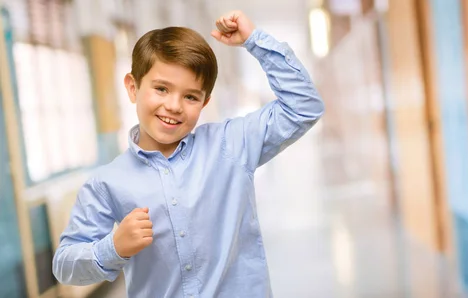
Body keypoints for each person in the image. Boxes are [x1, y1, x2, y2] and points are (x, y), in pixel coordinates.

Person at [52, 10, 324, 298]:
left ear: (205, 102)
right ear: (133, 87)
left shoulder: (230, 144)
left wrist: (255, 41)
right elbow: (65, 266)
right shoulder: (107, 183)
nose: (174, 106)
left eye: (190, 96)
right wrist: (113, 248)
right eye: (161, 89)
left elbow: (304, 107)